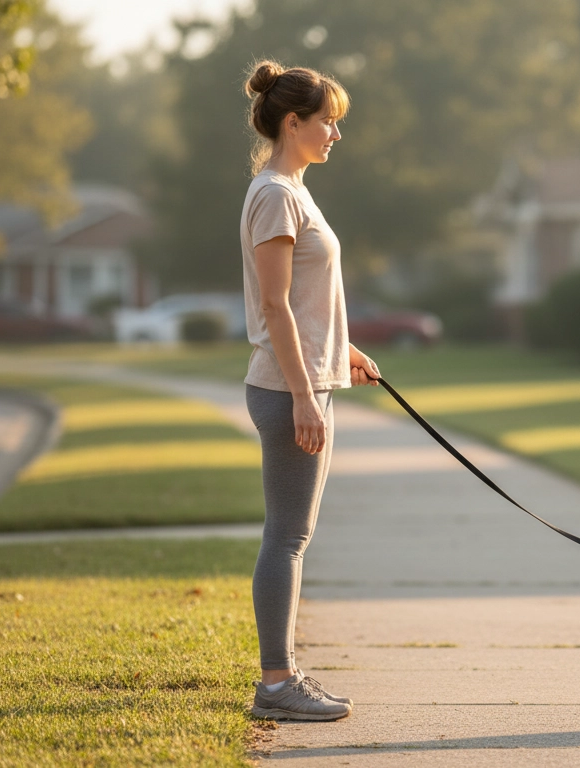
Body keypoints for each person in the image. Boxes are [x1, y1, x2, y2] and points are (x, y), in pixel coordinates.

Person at [240, 59, 380, 721]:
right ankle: (276, 685)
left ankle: (282, 676)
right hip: (286, 389)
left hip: (306, 380)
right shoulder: (275, 194)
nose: (336, 133)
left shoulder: (292, 190)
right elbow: (273, 306)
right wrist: (302, 395)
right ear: (292, 123)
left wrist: (342, 349)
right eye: (327, 121)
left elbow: (304, 298)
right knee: (287, 538)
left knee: (291, 535)